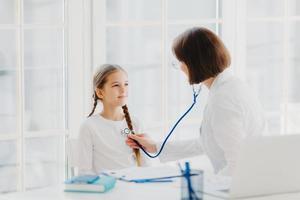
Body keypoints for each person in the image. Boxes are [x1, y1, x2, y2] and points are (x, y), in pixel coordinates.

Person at [126, 27, 267, 176]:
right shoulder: (233, 86)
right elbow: (209, 143)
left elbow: (238, 164)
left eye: (181, 61)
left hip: (236, 186)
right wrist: (156, 147)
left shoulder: (222, 100)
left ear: (193, 63)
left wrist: (207, 187)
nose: (180, 67)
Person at [77, 64, 151, 175]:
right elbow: (84, 172)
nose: (123, 90)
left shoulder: (136, 123)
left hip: (135, 186)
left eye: (126, 84)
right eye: (116, 85)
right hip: (106, 188)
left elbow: (146, 165)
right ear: (100, 92)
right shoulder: (89, 126)